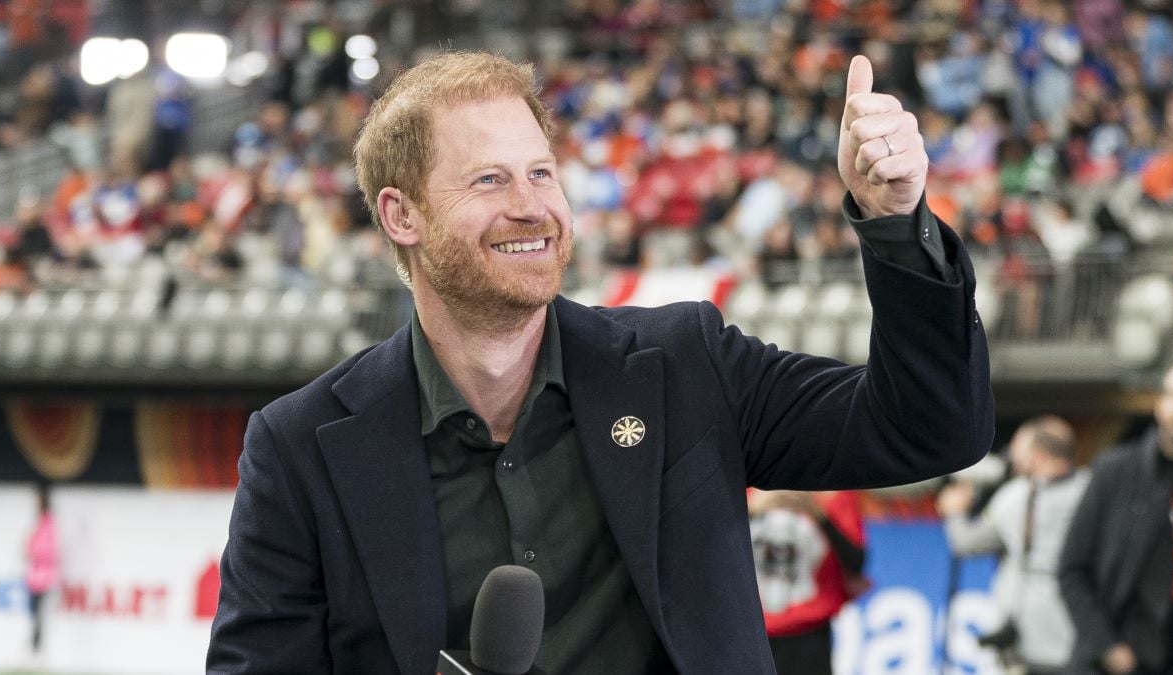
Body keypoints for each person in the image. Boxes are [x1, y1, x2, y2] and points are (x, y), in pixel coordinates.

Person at [207, 51, 994, 673]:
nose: (532, 205)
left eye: (541, 172)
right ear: (400, 214)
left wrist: (896, 223)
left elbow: (929, 430)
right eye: (490, 178)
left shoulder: (686, 364)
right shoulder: (300, 447)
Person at [937, 415, 1090, 674]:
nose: (1012, 461)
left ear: (1038, 456)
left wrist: (954, 512)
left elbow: (967, 543)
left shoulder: (1015, 496)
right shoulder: (1093, 489)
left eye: (1018, 453)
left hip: (1030, 639)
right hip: (1082, 633)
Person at [1059, 362, 1173, 674]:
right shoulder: (1116, 472)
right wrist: (1108, 647)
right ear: (1160, 404)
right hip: (1129, 658)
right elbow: (1072, 569)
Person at [748, 489, 867, 674]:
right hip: (755, 633)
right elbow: (713, 552)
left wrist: (818, 512)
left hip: (810, 632)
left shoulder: (835, 493)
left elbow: (855, 562)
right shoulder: (740, 490)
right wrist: (751, 511)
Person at [26, 484, 58, 660]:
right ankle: (34, 648)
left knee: (38, 614)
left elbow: (44, 550)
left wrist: (31, 549)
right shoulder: (41, 522)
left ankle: (36, 650)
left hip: (43, 577)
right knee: (34, 614)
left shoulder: (47, 523)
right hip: (36, 576)